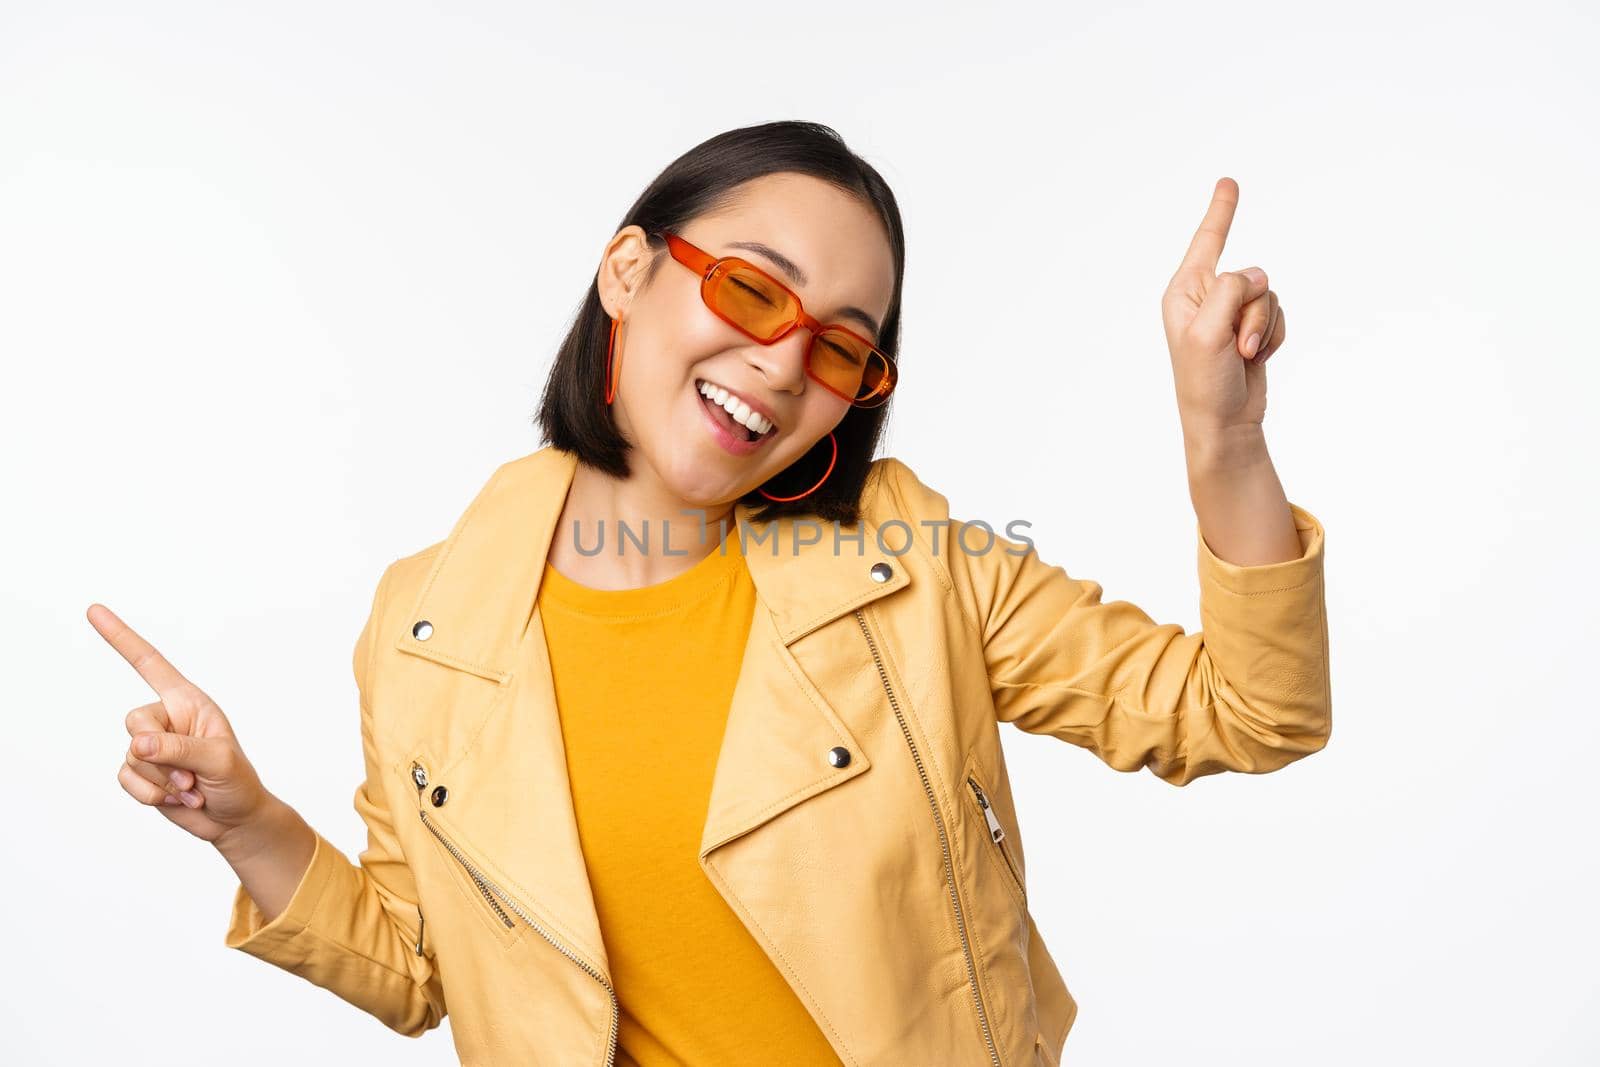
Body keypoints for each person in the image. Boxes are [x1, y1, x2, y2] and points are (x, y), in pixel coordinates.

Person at [92, 120, 1328, 1066]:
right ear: (627, 272)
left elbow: (1248, 709)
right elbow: (424, 966)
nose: (782, 362)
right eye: (750, 287)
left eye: (842, 343)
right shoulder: (425, 626)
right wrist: (246, 819)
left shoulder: (909, 558)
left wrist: (1222, 436)